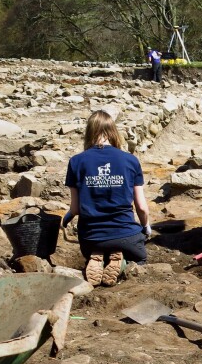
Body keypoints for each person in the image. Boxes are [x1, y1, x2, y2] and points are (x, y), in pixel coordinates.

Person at [63, 111, 150, 287]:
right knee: (140, 259)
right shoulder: (130, 160)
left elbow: (76, 209)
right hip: (126, 235)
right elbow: (141, 207)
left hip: (91, 238)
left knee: (95, 248)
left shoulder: (76, 162)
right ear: (113, 132)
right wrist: (145, 227)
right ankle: (121, 261)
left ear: (89, 132)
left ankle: (98, 257)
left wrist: (65, 220)